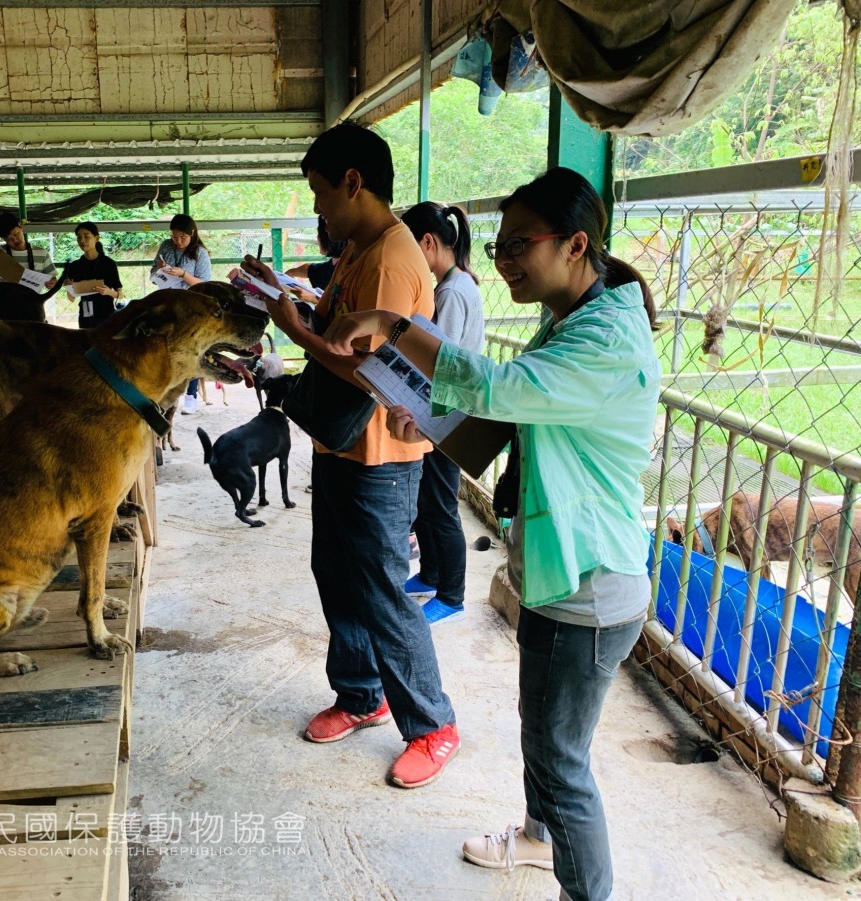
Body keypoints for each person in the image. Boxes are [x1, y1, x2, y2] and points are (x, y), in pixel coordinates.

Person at [320, 167, 661, 901]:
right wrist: (434, 422)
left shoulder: (603, 337)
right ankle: (541, 839)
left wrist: (391, 325)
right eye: (500, 243)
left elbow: (501, 388)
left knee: (562, 762)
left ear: (576, 245)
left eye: (519, 245)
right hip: (560, 571)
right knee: (544, 737)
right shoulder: (573, 316)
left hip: (588, 581)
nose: (505, 259)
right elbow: (513, 419)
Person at [241, 121, 459, 790]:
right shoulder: (362, 251)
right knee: (336, 572)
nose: (317, 208)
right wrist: (290, 298)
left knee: (384, 588)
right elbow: (341, 328)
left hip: (382, 457)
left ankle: (433, 725)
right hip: (340, 446)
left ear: (353, 183)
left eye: (319, 192)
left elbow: (369, 372)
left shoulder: (392, 257)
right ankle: (361, 693)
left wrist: (292, 329)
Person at [399, 202, 484, 625]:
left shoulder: (450, 291)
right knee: (429, 503)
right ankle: (431, 573)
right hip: (445, 408)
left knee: (440, 507)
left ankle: (452, 595)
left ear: (428, 243)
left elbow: (439, 357)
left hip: (447, 413)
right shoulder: (457, 282)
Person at [151, 214, 212, 414]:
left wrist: (183, 274)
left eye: (182, 238)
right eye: (174, 237)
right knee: (167, 348)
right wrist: (161, 271)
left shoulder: (200, 253)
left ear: (192, 234)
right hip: (168, 303)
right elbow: (153, 273)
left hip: (190, 308)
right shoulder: (166, 246)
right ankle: (166, 390)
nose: (177, 242)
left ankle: (191, 395)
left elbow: (204, 284)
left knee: (191, 349)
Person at [59, 221, 123, 329]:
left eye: (86, 236)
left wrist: (109, 292)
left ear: (96, 238)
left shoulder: (108, 264)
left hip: (106, 315)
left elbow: (120, 295)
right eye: (79, 237)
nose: (82, 241)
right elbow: (71, 298)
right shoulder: (75, 266)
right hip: (85, 316)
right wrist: (69, 287)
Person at [0, 213, 57, 292]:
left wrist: (52, 283)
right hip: (6, 302)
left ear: (21, 227)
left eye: (16, 234)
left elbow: (53, 279)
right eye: (9, 239)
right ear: (3, 239)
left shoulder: (42, 253)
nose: (15, 240)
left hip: (32, 302)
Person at [285, 215, 345, 299]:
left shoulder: (347, 271)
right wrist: (289, 274)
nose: (317, 237)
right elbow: (310, 269)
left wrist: (313, 298)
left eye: (320, 233)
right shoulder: (331, 266)